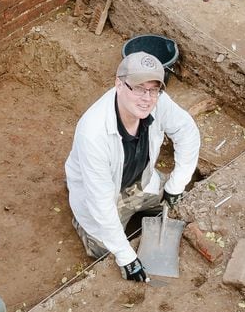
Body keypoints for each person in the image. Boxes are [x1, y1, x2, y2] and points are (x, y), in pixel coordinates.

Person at [65, 51, 201, 282]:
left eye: (153, 89)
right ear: (119, 84)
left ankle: (150, 200)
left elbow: (187, 132)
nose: (146, 98)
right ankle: (85, 227)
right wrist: (126, 255)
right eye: (138, 88)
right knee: (106, 252)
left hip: (141, 181)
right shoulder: (94, 133)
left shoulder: (158, 103)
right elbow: (100, 202)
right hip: (105, 195)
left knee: (180, 200)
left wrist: (176, 184)